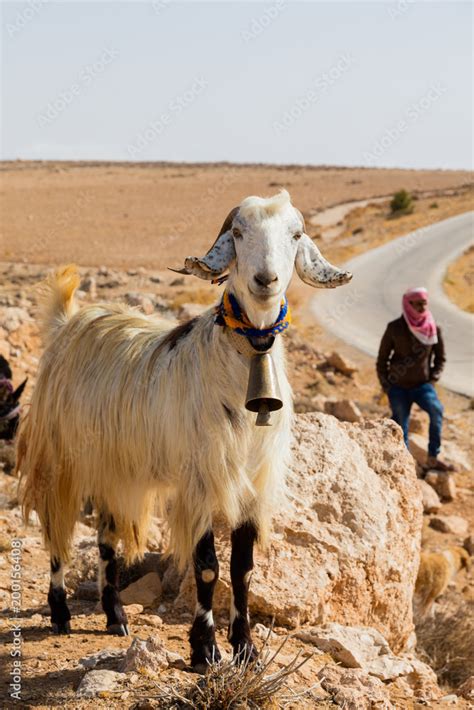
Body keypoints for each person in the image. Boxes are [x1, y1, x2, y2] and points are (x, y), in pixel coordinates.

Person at [376, 287, 453, 472]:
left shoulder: (433, 328)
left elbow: (440, 358)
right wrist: (387, 386)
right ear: (407, 304)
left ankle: (433, 458)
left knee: (436, 411)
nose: (422, 307)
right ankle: (407, 468)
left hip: (422, 386)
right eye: (417, 303)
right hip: (398, 388)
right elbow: (382, 359)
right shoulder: (394, 328)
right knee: (400, 426)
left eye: (424, 303)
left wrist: (432, 379)